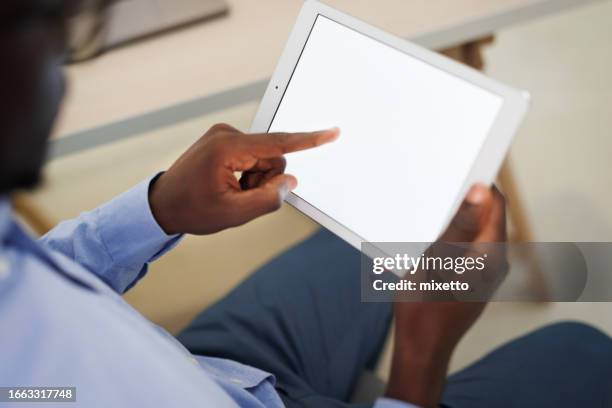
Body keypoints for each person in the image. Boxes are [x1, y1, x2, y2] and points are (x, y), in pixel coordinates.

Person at [1, 1, 611, 407]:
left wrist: (157, 209)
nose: (64, 81)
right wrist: (419, 363)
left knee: (374, 246)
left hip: (214, 369)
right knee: (582, 352)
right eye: (56, 46)